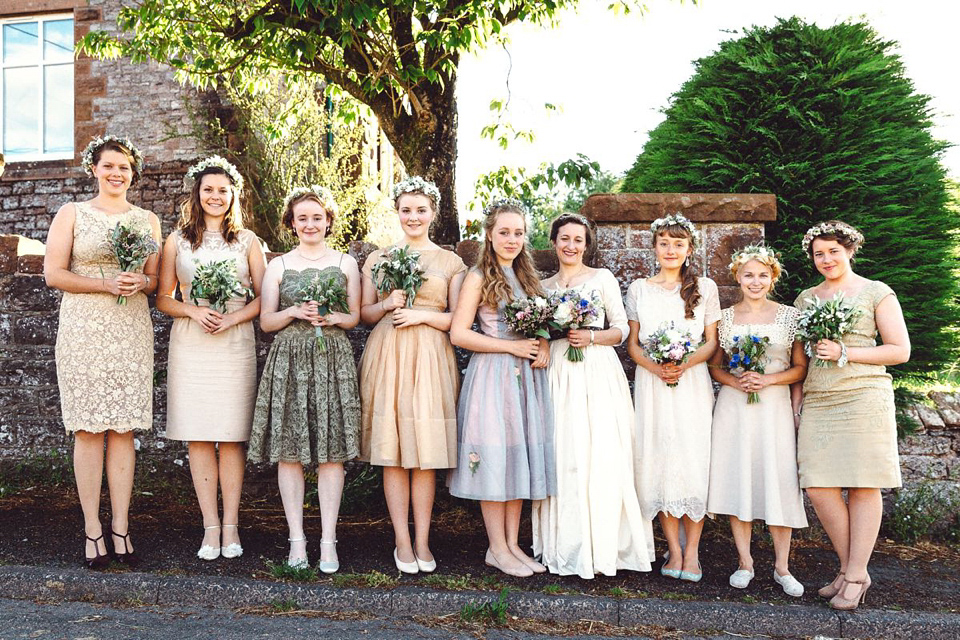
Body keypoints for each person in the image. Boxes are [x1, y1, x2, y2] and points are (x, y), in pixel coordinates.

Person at [44, 135, 161, 569]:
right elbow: (53, 273)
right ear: (94, 168)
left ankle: (121, 526)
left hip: (129, 327)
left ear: (133, 173)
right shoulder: (71, 214)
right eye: (109, 165)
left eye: (125, 167)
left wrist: (140, 283)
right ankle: (93, 527)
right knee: (89, 429)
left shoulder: (147, 220)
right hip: (83, 326)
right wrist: (104, 283)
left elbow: (154, 279)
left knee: (125, 429)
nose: (117, 173)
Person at [794, 221, 910, 610]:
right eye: (818, 254)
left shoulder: (877, 292)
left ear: (849, 250)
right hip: (820, 397)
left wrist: (846, 352)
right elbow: (799, 357)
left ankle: (855, 574)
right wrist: (797, 398)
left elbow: (899, 350)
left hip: (863, 393)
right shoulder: (806, 298)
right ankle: (849, 569)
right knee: (818, 485)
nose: (826, 259)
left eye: (833, 252)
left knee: (863, 484)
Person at [531, 213, 654, 578]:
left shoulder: (602, 279)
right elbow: (539, 330)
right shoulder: (543, 285)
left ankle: (605, 546)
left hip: (596, 371)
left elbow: (619, 329)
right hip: (558, 372)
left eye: (578, 240)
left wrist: (591, 336)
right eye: (564, 238)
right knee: (564, 452)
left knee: (600, 452)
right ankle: (566, 546)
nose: (571, 246)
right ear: (553, 242)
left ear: (587, 245)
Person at [247, 186, 362, 573]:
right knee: (290, 451)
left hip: (332, 358)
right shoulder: (278, 266)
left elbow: (354, 318)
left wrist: (332, 318)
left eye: (317, 217)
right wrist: (295, 310)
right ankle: (297, 540)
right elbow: (266, 322)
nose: (310, 224)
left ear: (328, 221)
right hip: (290, 360)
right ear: (291, 223)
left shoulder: (346, 263)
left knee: (331, 452)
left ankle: (328, 541)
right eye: (302, 218)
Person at [156, 156, 266, 561]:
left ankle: (232, 525)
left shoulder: (250, 241)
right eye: (208, 190)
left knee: (232, 435)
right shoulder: (177, 241)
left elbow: (263, 298)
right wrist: (193, 310)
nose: (215, 196)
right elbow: (163, 298)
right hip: (192, 340)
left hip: (234, 342)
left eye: (222, 190)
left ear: (232, 194)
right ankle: (210, 526)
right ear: (196, 194)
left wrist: (233, 317)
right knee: (199, 433)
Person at [358, 176, 466, 574]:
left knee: (425, 453)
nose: (413, 216)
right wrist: (388, 303)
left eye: (421, 210)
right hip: (389, 353)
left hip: (431, 355)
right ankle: (401, 542)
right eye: (406, 210)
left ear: (433, 213)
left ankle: (423, 539)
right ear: (397, 213)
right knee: (394, 452)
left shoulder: (450, 261)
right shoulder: (379, 257)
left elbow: (459, 318)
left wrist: (421, 314)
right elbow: (364, 315)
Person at [448, 197, 556, 578]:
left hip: (525, 380)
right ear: (489, 236)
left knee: (517, 459)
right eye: (504, 232)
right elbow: (460, 333)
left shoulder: (528, 277)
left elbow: (540, 325)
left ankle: (512, 545)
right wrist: (511, 346)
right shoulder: (477, 276)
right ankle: (496, 547)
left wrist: (542, 343)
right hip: (493, 376)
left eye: (518, 233)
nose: (512, 239)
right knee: (496, 459)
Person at [706, 245, 808, 596]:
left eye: (762, 275)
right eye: (748, 275)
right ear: (737, 276)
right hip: (735, 408)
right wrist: (737, 381)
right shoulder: (724, 316)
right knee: (741, 479)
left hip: (774, 406)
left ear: (772, 278)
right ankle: (745, 562)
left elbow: (799, 368)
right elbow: (715, 365)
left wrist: (766, 380)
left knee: (779, 480)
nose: (755, 281)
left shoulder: (789, 316)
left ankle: (782, 567)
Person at [625, 213, 719, 583]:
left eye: (678, 244)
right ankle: (673, 550)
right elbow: (633, 344)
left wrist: (683, 364)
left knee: (693, 458)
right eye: (664, 243)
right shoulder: (639, 289)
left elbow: (711, 342)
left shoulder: (705, 287)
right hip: (652, 384)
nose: (670, 250)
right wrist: (656, 367)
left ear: (689, 249)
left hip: (691, 382)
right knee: (659, 459)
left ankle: (692, 552)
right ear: (654, 247)